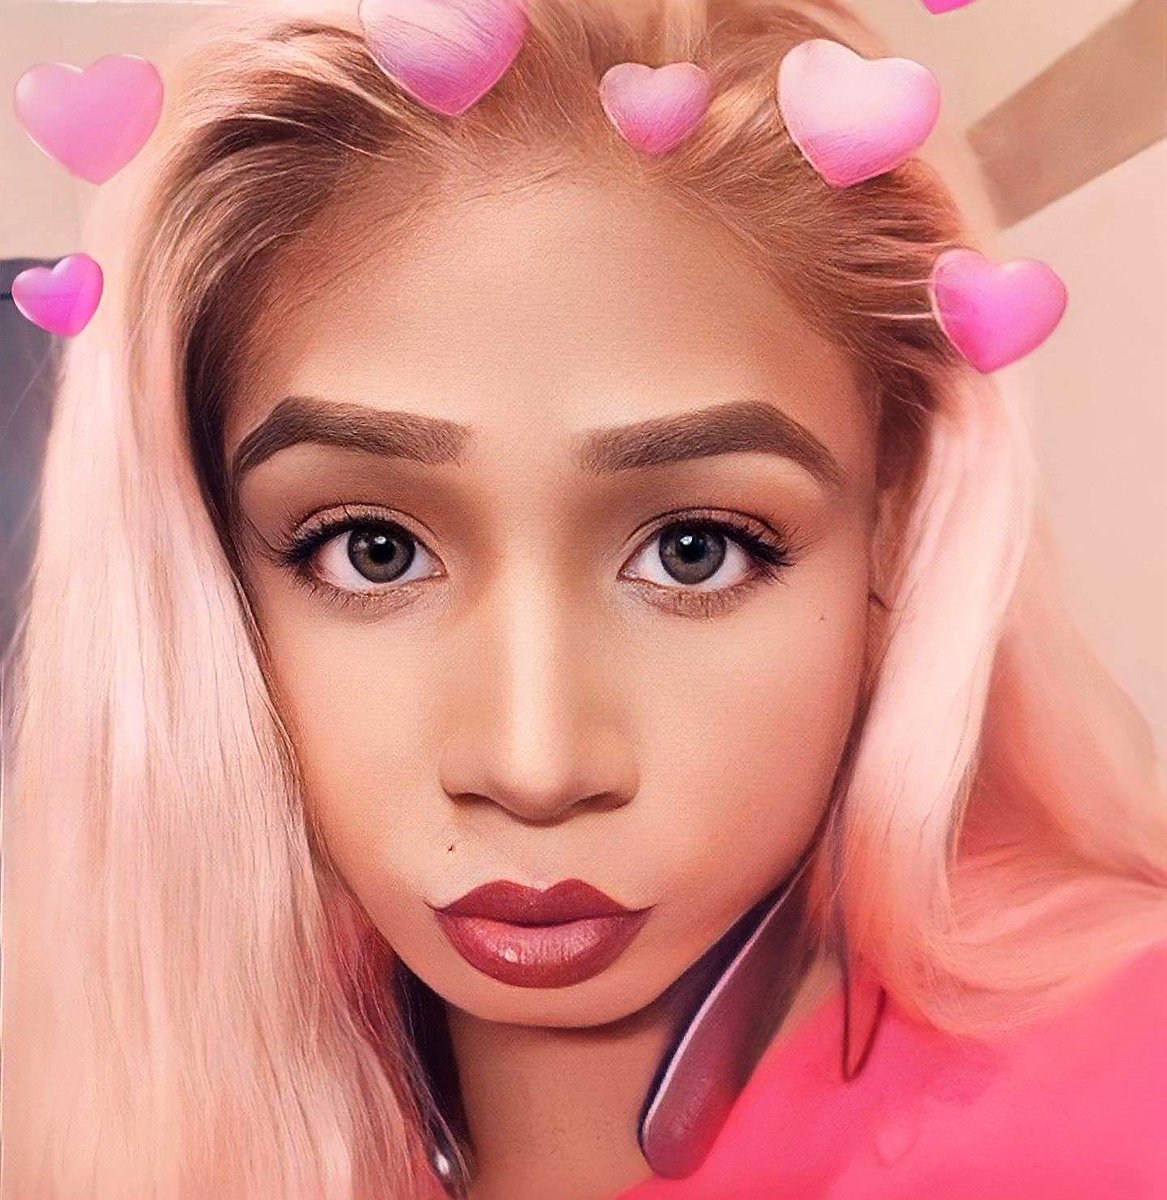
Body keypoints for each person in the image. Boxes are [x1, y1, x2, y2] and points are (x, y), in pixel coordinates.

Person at [3, 1, 1165, 1198]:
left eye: (695, 551)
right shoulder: (171, 1066)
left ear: (892, 532)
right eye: (373, 550)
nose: (535, 764)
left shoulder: (1125, 1098)